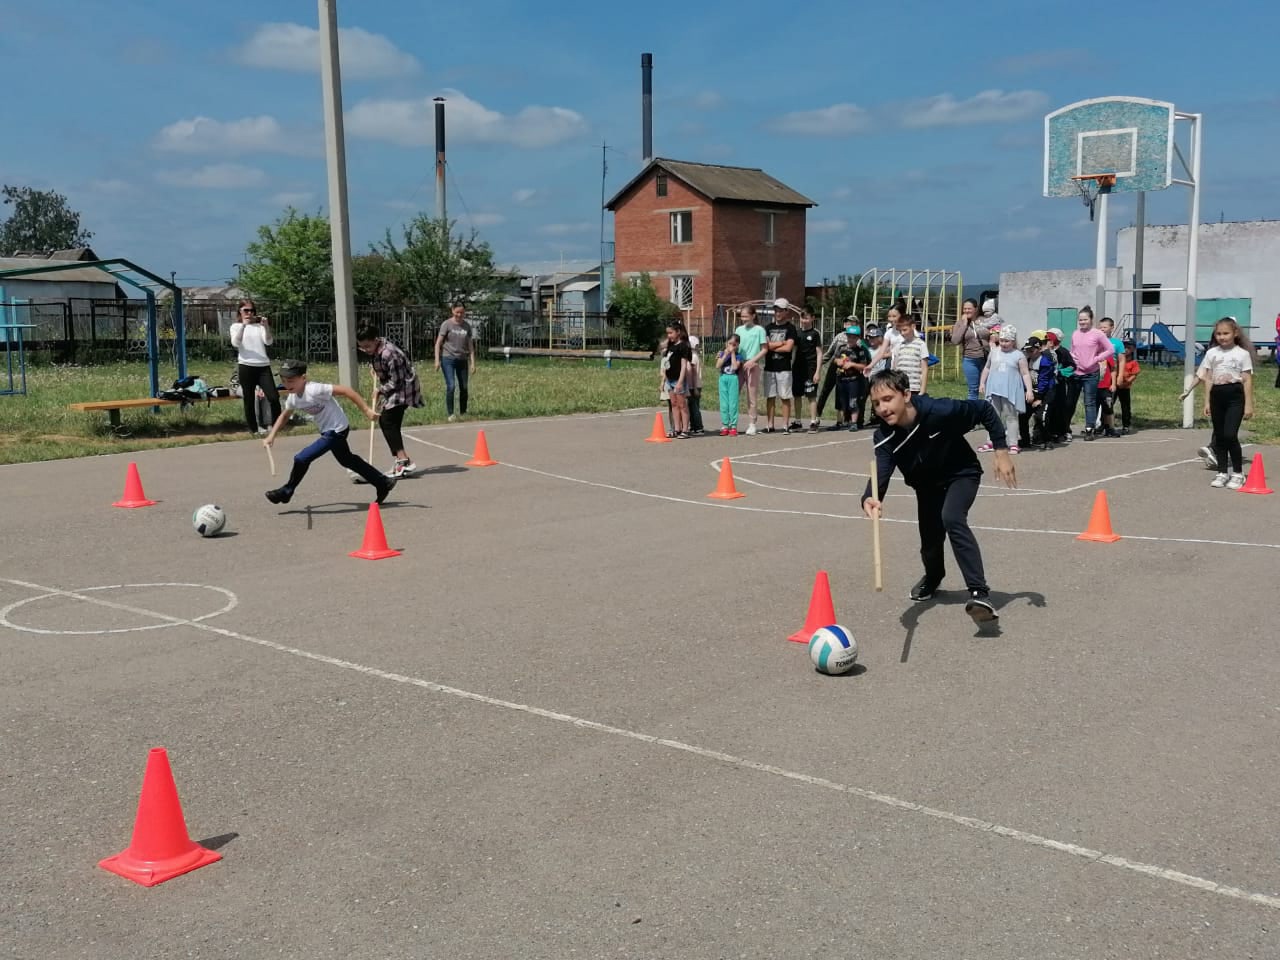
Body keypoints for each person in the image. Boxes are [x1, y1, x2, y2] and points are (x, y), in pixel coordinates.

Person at [861, 369, 1018, 624]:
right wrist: (870, 496)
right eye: (876, 403)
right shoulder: (885, 435)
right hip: (926, 486)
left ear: (906, 395)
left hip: (961, 474)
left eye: (888, 399)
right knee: (930, 542)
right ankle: (933, 578)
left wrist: (1001, 452)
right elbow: (882, 469)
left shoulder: (939, 411)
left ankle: (979, 593)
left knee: (952, 518)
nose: (883, 408)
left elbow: (984, 409)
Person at [263, 359, 396, 505]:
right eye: (283, 380)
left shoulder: (315, 390)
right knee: (347, 460)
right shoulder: (293, 398)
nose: (287, 384)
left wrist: (366, 410)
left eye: (290, 380)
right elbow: (284, 416)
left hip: (336, 430)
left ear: (303, 378)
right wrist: (271, 436)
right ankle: (383, 483)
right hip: (327, 431)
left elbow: (347, 391)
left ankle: (287, 491)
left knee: (302, 458)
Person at [1194, 317, 1255, 489]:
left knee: (1230, 435)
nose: (1222, 337)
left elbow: (1247, 380)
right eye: (1218, 334)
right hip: (1217, 395)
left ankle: (1237, 473)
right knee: (1220, 436)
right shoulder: (1212, 353)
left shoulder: (1242, 354)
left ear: (1235, 333)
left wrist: (1248, 404)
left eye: (1226, 333)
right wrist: (1207, 401)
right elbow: (1208, 378)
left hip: (1235, 396)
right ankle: (1222, 472)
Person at [356, 326, 424, 478]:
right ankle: (401, 460)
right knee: (390, 422)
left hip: (404, 388)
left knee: (387, 420)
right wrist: (376, 369)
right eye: (362, 347)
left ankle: (403, 460)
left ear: (375, 340)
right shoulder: (377, 350)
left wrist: (380, 390)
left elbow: (397, 380)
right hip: (396, 388)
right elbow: (383, 367)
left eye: (367, 346)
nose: (365, 350)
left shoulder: (389, 353)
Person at [978, 325, 1034, 455]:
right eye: (1002, 340)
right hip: (994, 389)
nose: (1003, 343)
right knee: (993, 416)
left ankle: (1013, 443)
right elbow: (987, 368)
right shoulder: (994, 352)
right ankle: (991, 441)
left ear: (1013, 341)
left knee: (1011, 416)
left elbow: (1025, 373)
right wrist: (982, 383)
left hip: (1010, 390)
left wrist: (1029, 390)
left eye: (1007, 341)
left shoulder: (1019, 355)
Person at [229, 298, 281, 436]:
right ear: (240, 311)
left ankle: (276, 425)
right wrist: (243, 326)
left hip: (263, 366)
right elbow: (236, 343)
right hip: (246, 366)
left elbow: (268, 342)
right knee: (249, 399)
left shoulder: (259, 327)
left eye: (252, 310)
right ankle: (254, 428)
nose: (249, 313)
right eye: (246, 310)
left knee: (273, 397)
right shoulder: (235, 326)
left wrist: (266, 326)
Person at [1065, 306, 1114, 441]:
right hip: (1076, 373)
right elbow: (1072, 350)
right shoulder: (1075, 333)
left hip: (1091, 373)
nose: (1082, 322)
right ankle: (1065, 428)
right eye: (1080, 320)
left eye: (1085, 319)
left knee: (1089, 401)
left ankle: (1089, 429)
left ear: (1091, 320)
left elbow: (1110, 349)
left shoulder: (1098, 334)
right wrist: (1072, 357)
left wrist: (1097, 358)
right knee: (1070, 402)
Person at [868, 301, 929, 396]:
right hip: (895, 368)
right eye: (889, 316)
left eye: (894, 316)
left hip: (913, 372)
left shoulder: (914, 336)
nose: (891, 319)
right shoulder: (889, 333)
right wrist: (870, 365)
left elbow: (921, 360)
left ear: (902, 315)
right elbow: (881, 352)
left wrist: (922, 388)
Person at [434, 303, 476, 422]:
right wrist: (437, 360)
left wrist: (473, 362)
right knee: (451, 386)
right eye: (457, 312)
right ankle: (451, 413)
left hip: (462, 359)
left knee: (464, 387)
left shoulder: (466, 326)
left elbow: (470, 346)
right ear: (452, 311)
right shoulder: (446, 324)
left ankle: (463, 412)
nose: (459, 315)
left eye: (462, 312)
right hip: (448, 359)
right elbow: (438, 343)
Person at [762, 299, 797, 433]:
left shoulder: (790, 328)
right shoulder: (768, 328)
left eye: (781, 310)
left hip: (784, 368)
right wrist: (782, 343)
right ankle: (770, 425)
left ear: (786, 311)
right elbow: (766, 346)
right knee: (770, 397)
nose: (777, 313)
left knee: (785, 396)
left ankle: (785, 425)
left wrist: (773, 346)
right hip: (770, 367)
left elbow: (788, 348)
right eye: (776, 310)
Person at [733, 305, 768, 435]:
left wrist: (753, 360)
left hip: (753, 365)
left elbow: (764, 349)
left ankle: (752, 423)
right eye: (742, 316)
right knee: (733, 393)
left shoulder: (759, 330)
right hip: (739, 364)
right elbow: (734, 345)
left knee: (751, 396)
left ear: (753, 316)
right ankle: (731, 422)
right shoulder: (739, 329)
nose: (744, 319)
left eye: (746, 316)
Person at [1018, 333, 1056, 451]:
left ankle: (1047, 440)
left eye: (1032, 350)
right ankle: (1025, 440)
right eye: (1027, 350)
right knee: (1022, 416)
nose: (1029, 352)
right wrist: (1026, 391)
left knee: (1041, 417)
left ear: (1039, 349)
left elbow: (1044, 381)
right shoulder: (1027, 360)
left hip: (1046, 393)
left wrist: (1039, 398)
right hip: (1032, 392)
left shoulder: (1044, 362)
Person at [816, 319, 855, 422]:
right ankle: (816, 415)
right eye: (847, 323)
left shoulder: (858, 340)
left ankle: (841, 420)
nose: (849, 325)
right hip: (835, 365)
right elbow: (830, 352)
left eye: (852, 323)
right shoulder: (839, 337)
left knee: (841, 393)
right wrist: (818, 364)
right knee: (825, 390)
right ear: (844, 325)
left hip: (848, 369)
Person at [950, 297, 989, 400]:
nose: (966, 311)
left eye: (969, 308)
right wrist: (964, 324)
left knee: (989, 387)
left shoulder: (984, 320)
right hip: (970, 359)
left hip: (987, 359)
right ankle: (972, 409)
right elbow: (955, 341)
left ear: (976, 309)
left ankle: (988, 409)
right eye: (965, 309)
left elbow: (994, 332)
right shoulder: (959, 323)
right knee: (973, 390)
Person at [790, 309, 823, 431]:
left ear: (812, 318)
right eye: (802, 318)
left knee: (811, 395)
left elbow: (819, 353)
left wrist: (817, 371)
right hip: (798, 368)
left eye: (806, 318)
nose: (804, 320)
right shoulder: (797, 333)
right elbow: (793, 351)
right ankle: (798, 421)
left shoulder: (815, 334)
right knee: (797, 395)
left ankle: (813, 421)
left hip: (811, 368)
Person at [1095, 317, 1126, 437]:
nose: (1102, 329)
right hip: (1097, 376)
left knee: (1108, 403)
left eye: (1105, 327)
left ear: (1112, 328)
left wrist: (1120, 376)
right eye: (1100, 327)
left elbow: (1121, 360)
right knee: (1095, 403)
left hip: (1110, 376)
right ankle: (1097, 426)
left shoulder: (1117, 343)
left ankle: (1109, 427)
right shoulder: (1096, 342)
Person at [664, 321, 693, 438]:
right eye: (667, 333)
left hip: (678, 380)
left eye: (671, 333)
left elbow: (684, 366)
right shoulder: (670, 345)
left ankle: (685, 430)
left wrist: (680, 382)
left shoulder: (683, 346)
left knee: (682, 405)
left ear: (678, 332)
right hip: (669, 380)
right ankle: (677, 429)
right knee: (674, 404)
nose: (669, 335)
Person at [716, 334, 743, 436]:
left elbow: (735, 367)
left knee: (733, 403)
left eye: (734, 345)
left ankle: (733, 426)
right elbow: (718, 365)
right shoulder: (722, 353)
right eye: (729, 344)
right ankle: (725, 425)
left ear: (738, 345)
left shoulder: (738, 356)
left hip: (733, 379)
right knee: (724, 403)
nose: (731, 346)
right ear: (726, 343)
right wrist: (725, 354)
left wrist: (732, 354)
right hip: (723, 378)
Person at [1114, 337, 1140, 435]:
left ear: (1133, 349)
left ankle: (1126, 425)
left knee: (1125, 407)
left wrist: (1127, 382)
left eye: (1128, 347)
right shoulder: (1118, 359)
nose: (1125, 349)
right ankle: (1105, 424)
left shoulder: (1133, 362)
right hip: (1114, 385)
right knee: (1108, 405)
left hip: (1125, 387)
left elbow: (1134, 374)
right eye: (1124, 346)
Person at [687, 335, 705, 434]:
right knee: (691, 406)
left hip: (694, 385)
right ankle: (693, 426)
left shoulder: (693, 356)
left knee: (694, 407)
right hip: (694, 385)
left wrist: (694, 388)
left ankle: (698, 426)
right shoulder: (694, 355)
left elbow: (694, 373)